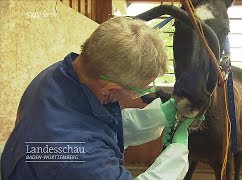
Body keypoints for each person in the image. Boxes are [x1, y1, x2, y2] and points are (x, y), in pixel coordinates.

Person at [0, 17, 194, 180]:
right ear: (110, 88)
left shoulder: (62, 74)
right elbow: (84, 145)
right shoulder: (80, 159)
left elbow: (93, 126)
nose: (139, 94)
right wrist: (177, 154)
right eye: (138, 91)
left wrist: (156, 117)